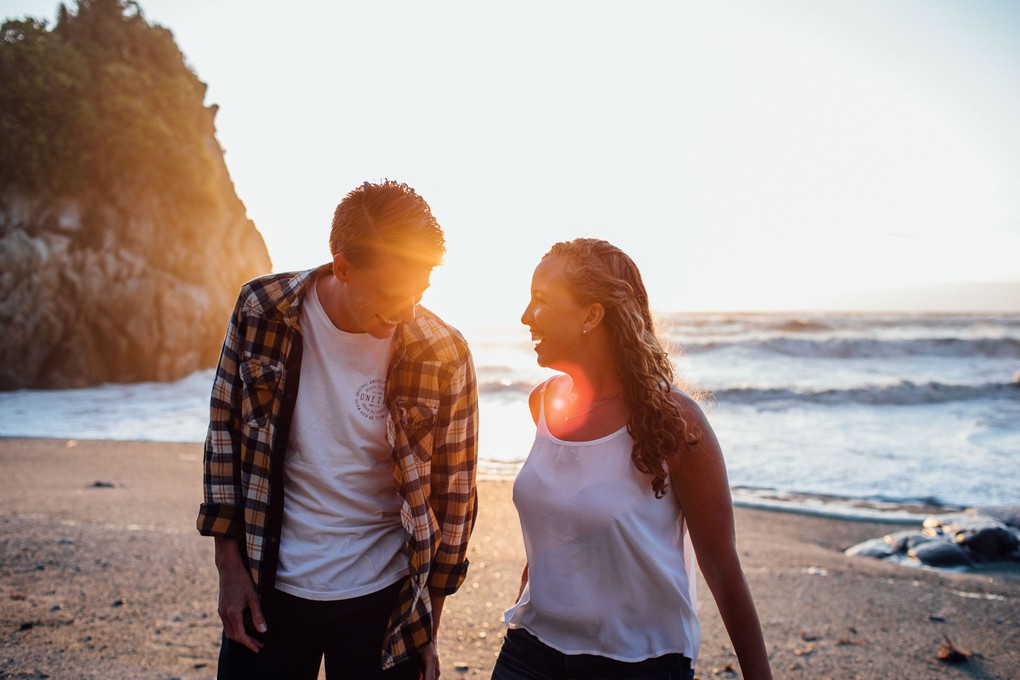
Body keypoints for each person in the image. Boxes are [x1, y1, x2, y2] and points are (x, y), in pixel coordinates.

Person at [196, 180, 479, 680]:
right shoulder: (261, 310)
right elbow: (225, 433)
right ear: (342, 266)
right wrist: (228, 566)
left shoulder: (443, 353)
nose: (407, 312)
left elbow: (454, 499)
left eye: (419, 292)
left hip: (387, 599)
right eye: (391, 293)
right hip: (269, 586)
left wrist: (428, 624)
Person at [492, 238, 771, 679]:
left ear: (591, 315)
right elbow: (561, 522)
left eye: (541, 301)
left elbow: (720, 564)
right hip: (534, 645)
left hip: (638, 659)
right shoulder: (543, 404)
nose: (525, 317)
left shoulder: (673, 421)